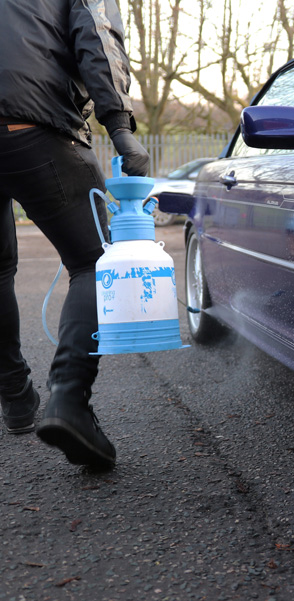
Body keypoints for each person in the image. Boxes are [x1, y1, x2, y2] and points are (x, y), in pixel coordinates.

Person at [0, 0, 149, 468]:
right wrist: (120, 127)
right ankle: (68, 400)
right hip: (33, 122)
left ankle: (17, 398)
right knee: (95, 261)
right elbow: (97, 37)